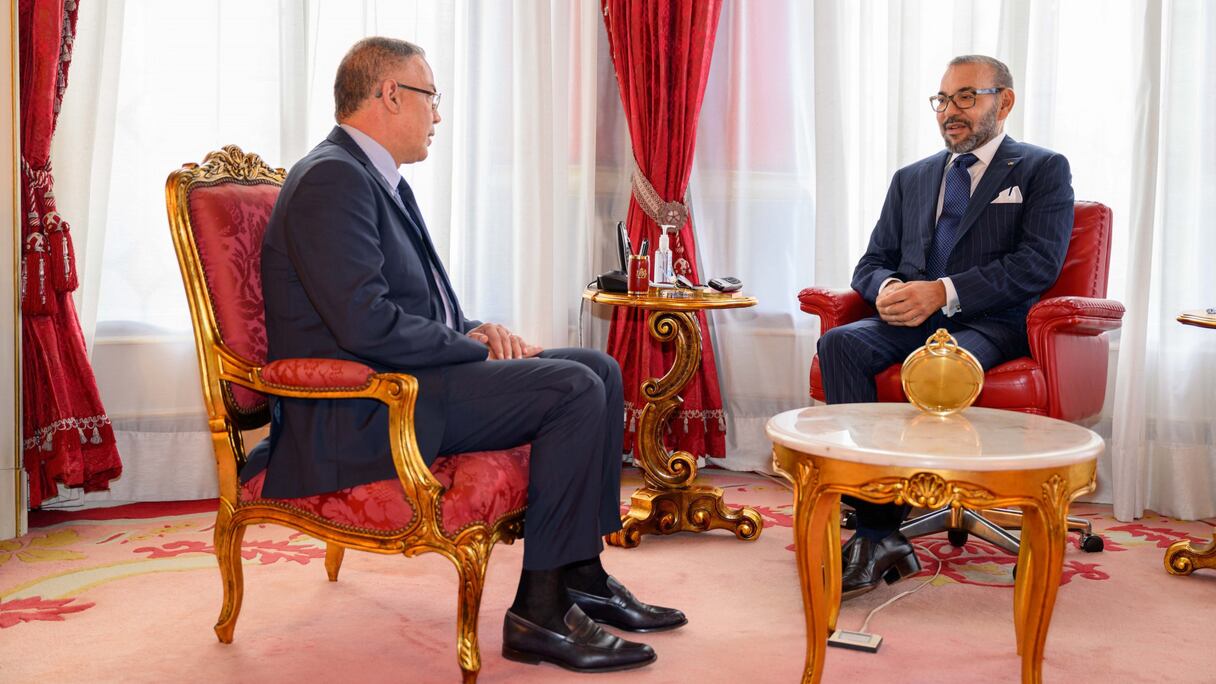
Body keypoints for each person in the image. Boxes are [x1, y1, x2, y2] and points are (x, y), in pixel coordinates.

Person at [251, 37, 685, 673]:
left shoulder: (369, 173)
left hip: (407, 380)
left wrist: (476, 328)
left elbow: (413, 303)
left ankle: (582, 576)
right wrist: (469, 348)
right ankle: (538, 611)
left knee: (598, 368)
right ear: (389, 95)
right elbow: (364, 322)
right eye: (431, 97)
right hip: (362, 412)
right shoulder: (332, 180)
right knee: (573, 389)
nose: (438, 114)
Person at [816, 55, 1074, 598]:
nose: (949, 112)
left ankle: (890, 519)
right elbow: (872, 262)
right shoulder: (910, 179)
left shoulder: (1040, 169)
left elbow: (1037, 265)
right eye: (942, 100)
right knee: (840, 344)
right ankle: (879, 526)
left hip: (989, 321)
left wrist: (945, 291)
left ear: (1003, 102)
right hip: (911, 316)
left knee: (941, 365)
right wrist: (888, 291)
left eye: (965, 98)